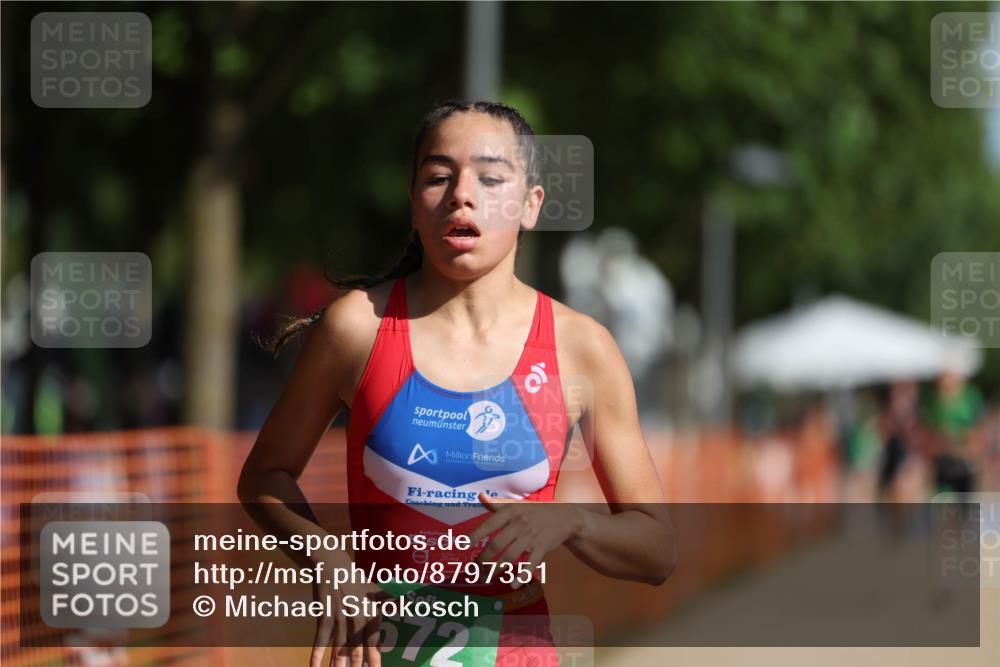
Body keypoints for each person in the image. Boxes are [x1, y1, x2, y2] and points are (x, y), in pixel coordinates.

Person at [238, 100, 676, 667]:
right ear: (413, 204)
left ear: (531, 205)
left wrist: (570, 521)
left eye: (490, 178)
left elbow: (656, 549)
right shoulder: (358, 327)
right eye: (438, 177)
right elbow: (264, 477)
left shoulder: (581, 348)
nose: (461, 195)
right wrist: (329, 562)